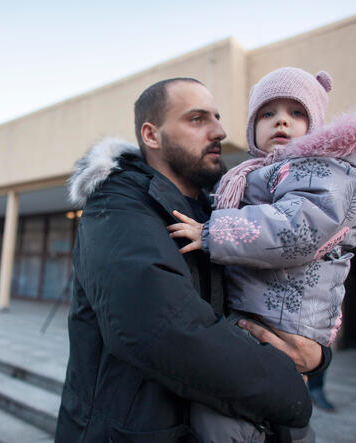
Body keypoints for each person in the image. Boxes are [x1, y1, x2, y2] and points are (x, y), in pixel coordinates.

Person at [57, 77, 331, 442]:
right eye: (197, 119)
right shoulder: (118, 205)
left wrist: (315, 354)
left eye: (216, 117)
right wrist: (288, 388)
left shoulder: (216, 213)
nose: (219, 130)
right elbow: (163, 330)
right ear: (151, 135)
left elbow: (273, 290)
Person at [167, 68, 356, 439]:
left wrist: (214, 231)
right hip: (263, 311)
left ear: (318, 125)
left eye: (296, 113)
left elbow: (299, 229)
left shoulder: (324, 170)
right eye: (267, 113)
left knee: (227, 414)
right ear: (251, 127)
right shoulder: (254, 173)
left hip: (287, 316)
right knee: (252, 412)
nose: (281, 119)